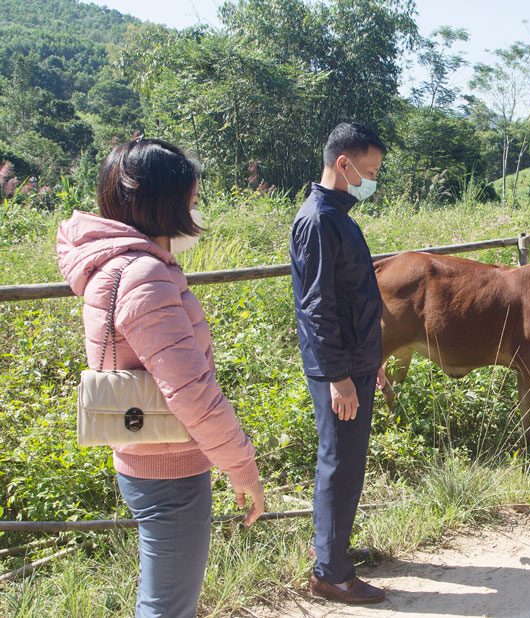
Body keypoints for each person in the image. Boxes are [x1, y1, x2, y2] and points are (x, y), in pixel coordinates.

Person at [56, 138, 265, 617]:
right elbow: (192, 392)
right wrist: (242, 468)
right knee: (167, 605)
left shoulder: (116, 263)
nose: (194, 213)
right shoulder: (145, 275)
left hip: (145, 453)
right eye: (190, 201)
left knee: (162, 597)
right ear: (162, 203)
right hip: (170, 467)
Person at [290, 122, 388, 604]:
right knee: (339, 463)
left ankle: (335, 549)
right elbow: (317, 307)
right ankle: (329, 571)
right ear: (343, 164)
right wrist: (339, 376)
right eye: (368, 171)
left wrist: (372, 360)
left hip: (357, 361)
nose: (373, 181)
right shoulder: (318, 220)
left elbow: (355, 298)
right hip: (340, 368)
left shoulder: (340, 215)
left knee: (349, 462)